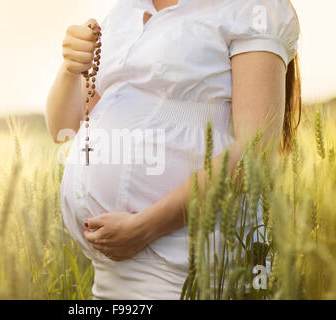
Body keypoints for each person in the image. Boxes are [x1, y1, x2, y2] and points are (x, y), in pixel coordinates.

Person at [46, 0, 301, 299]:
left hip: (186, 269)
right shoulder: (123, 13)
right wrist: (70, 68)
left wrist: (144, 228)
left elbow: (254, 156)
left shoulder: (252, 8)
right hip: (111, 277)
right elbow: (62, 128)